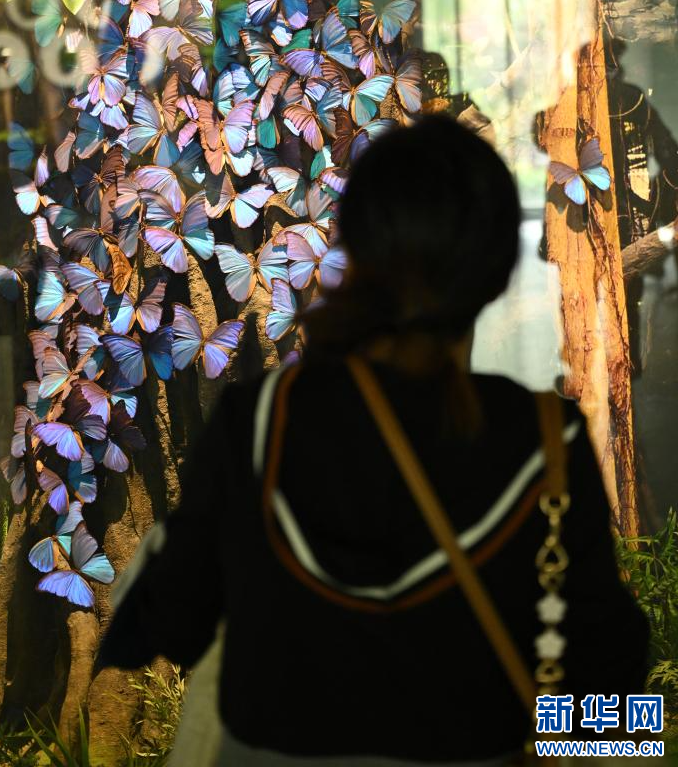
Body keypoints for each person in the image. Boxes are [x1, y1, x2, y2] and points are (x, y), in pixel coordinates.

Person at [100, 115, 649, 766]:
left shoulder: (261, 421)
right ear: (500, 271)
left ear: (353, 251)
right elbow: (608, 667)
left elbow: (178, 621)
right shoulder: (546, 438)